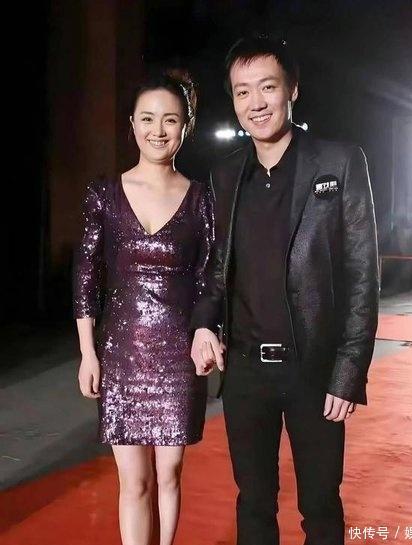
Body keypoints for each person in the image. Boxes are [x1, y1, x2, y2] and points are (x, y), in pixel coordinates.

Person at [190, 36, 379, 545]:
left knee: (320, 507)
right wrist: (204, 324)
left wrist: (348, 371)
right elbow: (215, 268)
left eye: (267, 87)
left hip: (313, 370)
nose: (256, 102)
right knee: (253, 504)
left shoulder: (338, 162)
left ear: (292, 89)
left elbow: (362, 275)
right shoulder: (225, 174)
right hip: (245, 372)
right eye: (242, 91)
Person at [73, 71, 213, 545]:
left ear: (185, 127)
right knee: (133, 481)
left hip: (178, 356)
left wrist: (208, 334)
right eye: (148, 118)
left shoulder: (202, 199)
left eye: (170, 120)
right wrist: (88, 353)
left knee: (169, 475)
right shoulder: (104, 194)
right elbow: (86, 276)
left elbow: (208, 278)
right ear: (131, 124)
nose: (158, 130)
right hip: (121, 355)